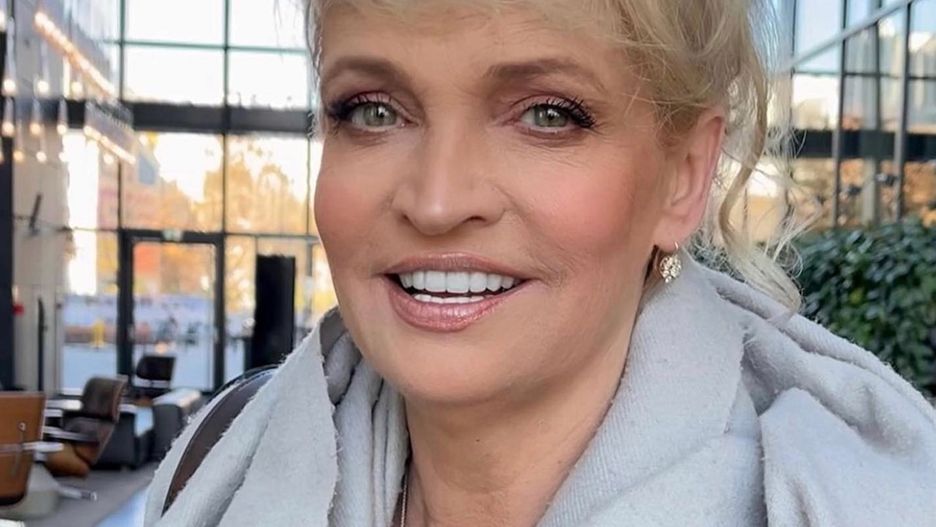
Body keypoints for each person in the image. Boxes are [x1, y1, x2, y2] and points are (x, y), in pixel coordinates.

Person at [145, 1, 936, 526]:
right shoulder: (218, 460)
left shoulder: (866, 502)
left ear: (684, 176)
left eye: (547, 114)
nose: (437, 200)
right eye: (374, 110)